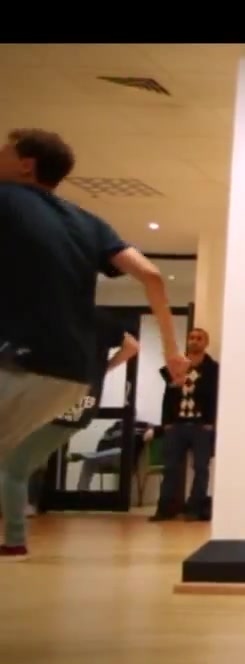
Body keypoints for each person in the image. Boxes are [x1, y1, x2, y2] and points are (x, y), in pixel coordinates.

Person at [0, 127, 187, 460]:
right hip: (70, 378)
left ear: (26, 165)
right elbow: (151, 276)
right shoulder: (89, 222)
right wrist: (173, 352)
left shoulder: (6, 196)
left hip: (17, 361)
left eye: (5, 153)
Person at [1, 309, 138, 561]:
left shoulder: (54, 316)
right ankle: (17, 531)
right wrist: (102, 371)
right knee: (18, 467)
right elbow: (132, 346)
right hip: (82, 405)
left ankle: (15, 542)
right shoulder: (99, 318)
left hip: (51, 398)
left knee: (13, 469)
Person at [153, 327, 219, 522]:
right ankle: (165, 509)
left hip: (201, 426)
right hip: (177, 424)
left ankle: (194, 509)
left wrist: (210, 422)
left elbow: (215, 396)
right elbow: (168, 395)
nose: (194, 341)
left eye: (199, 338)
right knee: (170, 467)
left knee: (201, 467)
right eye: (192, 337)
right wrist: (166, 422)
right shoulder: (176, 365)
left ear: (206, 343)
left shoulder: (213, 369)